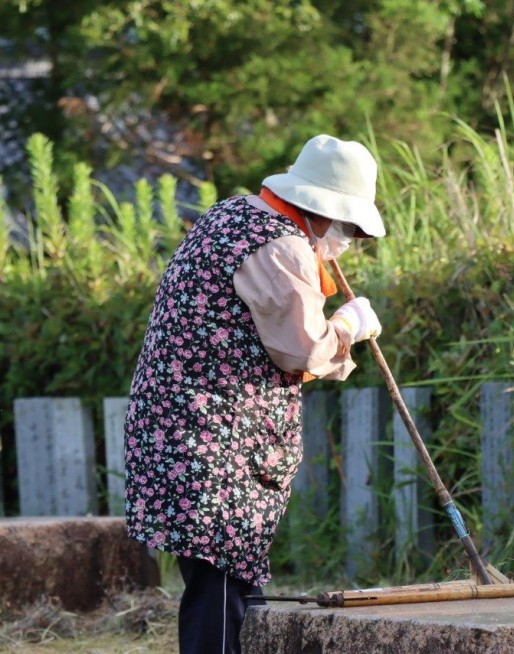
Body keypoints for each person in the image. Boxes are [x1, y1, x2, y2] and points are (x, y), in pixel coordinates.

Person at [123, 134, 385, 654]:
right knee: (221, 590)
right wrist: (348, 325)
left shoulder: (232, 216)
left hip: (184, 430)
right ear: (319, 210)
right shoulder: (279, 244)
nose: (346, 241)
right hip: (211, 442)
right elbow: (302, 351)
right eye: (346, 228)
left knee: (232, 585)